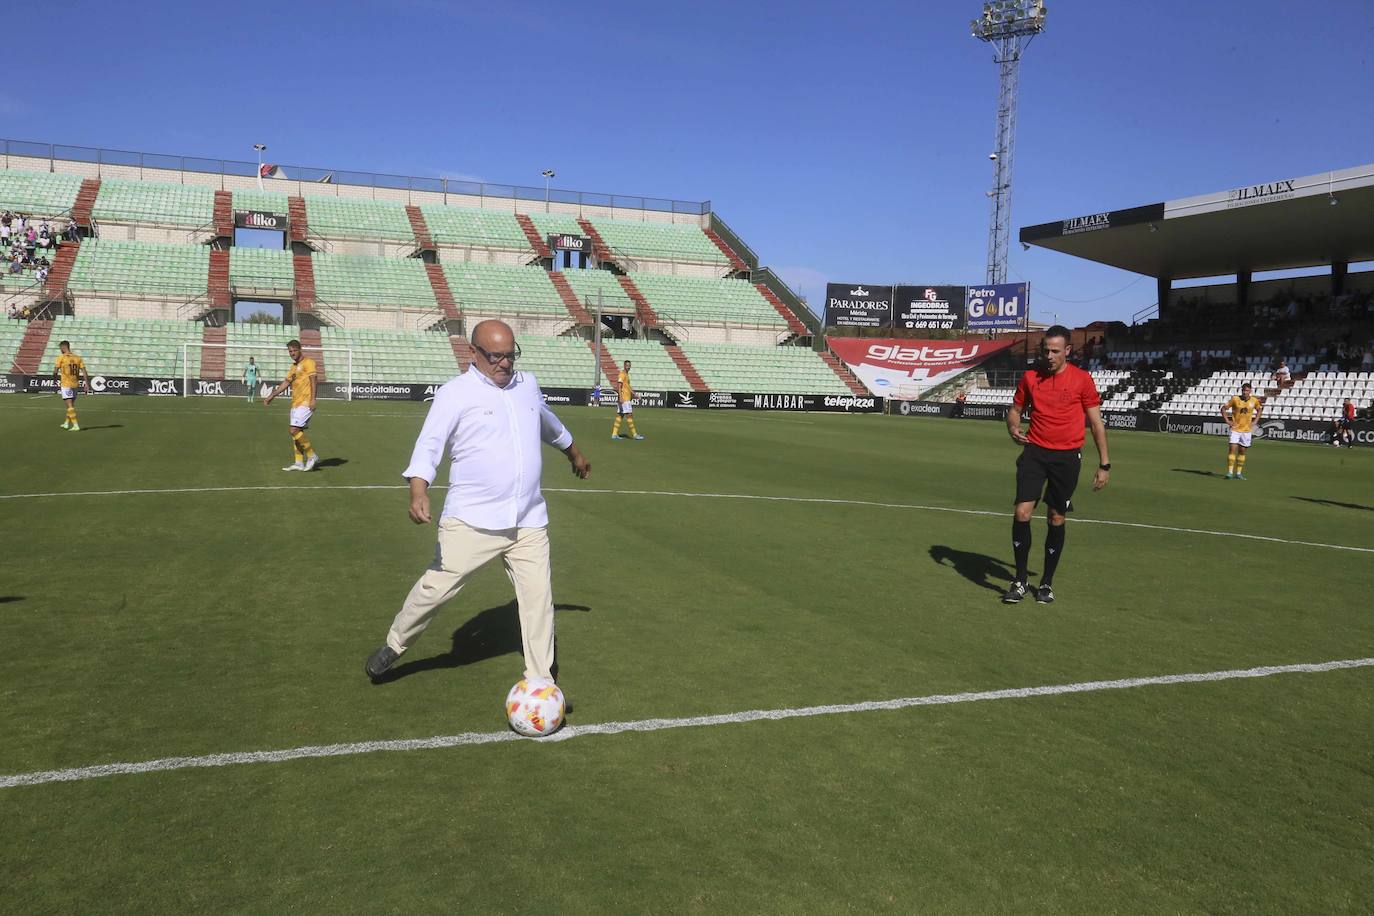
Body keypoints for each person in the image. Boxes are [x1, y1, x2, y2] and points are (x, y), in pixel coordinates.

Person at [364, 319, 592, 684]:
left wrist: (574, 453)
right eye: (496, 356)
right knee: (434, 590)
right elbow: (429, 444)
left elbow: (548, 423)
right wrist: (418, 490)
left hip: (528, 521)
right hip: (471, 521)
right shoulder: (455, 393)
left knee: (538, 602)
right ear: (473, 353)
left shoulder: (526, 385)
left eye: (510, 355)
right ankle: (396, 643)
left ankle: (540, 683)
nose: (505, 363)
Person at [1003, 325, 1110, 605]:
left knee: (1056, 517)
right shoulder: (1030, 377)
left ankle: (1046, 583)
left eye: (1055, 351)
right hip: (1034, 452)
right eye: (1045, 350)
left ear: (1067, 351)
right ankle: (1020, 579)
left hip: (1066, 457)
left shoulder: (1082, 380)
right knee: (1022, 512)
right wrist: (1013, 428)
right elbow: (1015, 410)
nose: (1048, 356)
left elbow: (1096, 423)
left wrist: (1104, 464)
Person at [263, 339, 319, 471]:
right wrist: (272, 395)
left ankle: (312, 456)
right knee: (296, 432)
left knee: (293, 430)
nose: (292, 353)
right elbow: (286, 383)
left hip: (306, 402)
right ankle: (299, 462)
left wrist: (313, 399)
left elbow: (314, 380)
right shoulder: (293, 367)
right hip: (295, 403)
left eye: (294, 350)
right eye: (290, 351)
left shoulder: (309, 363)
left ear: (300, 349)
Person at [1221, 382, 1262, 478]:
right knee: (1232, 449)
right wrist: (1228, 421)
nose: (1245, 392)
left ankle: (1238, 473)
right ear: (1241, 390)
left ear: (1250, 391)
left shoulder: (1254, 400)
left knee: (1242, 451)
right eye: (1243, 390)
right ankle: (1230, 472)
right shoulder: (1235, 399)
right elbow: (1223, 408)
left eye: (1247, 390)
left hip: (1246, 430)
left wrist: (1255, 421)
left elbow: (1259, 409)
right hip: (1235, 429)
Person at [53, 340, 89, 431]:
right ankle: (66, 423)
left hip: (66, 384)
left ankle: (75, 425)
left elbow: (55, 371)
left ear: (63, 347)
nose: (60, 349)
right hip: (75, 384)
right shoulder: (78, 358)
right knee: (71, 405)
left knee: (69, 406)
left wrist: (54, 379)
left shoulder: (61, 358)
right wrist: (86, 383)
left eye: (60, 348)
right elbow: (84, 371)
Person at [610, 359, 644, 440]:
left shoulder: (626, 375)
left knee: (620, 415)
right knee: (629, 415)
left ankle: (614, 434)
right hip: (624, 399)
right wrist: (620, 397)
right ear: (624, 366)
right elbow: (619, 386)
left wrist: (634, 394)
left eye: (629, 365)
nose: (628, 367)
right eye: (627, 365)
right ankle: (634, 434)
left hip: (626, 398)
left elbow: (628, 387)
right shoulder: (622, 374)